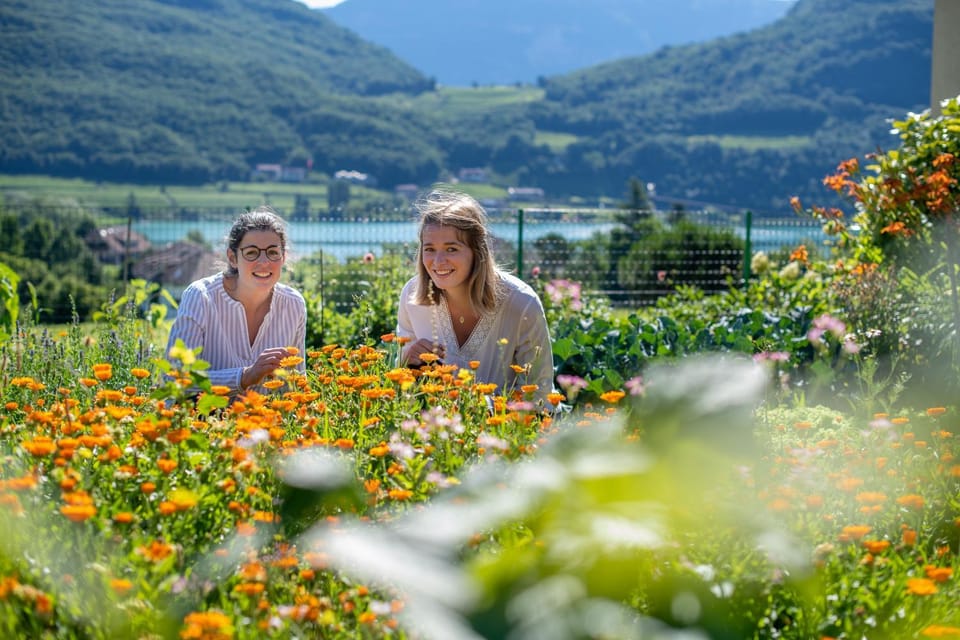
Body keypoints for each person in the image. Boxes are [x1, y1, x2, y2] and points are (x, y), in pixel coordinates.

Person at [396, 189, 555, 406]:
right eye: (429, 249)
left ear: (477, 251)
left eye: (451, 249)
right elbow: (401, 389)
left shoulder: (522, 303)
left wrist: (480, 409)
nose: (438, 261)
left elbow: (539, 396)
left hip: (505, 426)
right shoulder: (411, 296)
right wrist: (408, 360)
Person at [165, 206, 306, 395]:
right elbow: (174, 377)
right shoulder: (201, 297)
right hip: (203, 413)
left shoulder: (294, 305)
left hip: (268, 414)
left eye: (273, 252)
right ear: (233, 258)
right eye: (251, 252)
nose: (264, 261)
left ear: (283, 257)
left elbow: (297, 383)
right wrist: (244, 377)